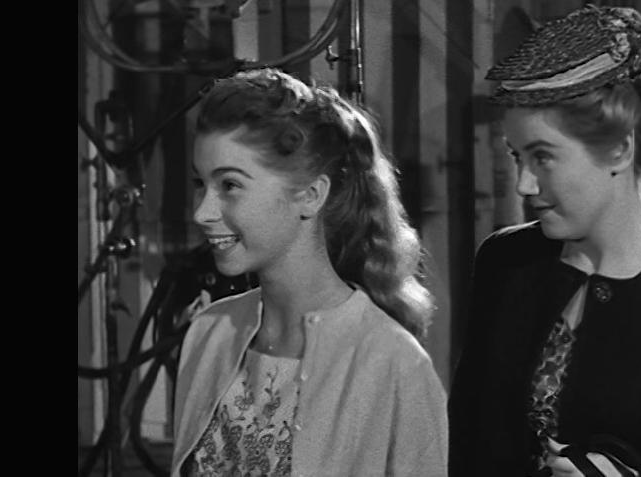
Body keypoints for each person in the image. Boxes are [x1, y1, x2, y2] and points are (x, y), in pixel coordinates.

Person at [448, 5, 641, 477]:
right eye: (517, 157)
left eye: (543, 157)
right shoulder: (506, 261)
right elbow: (467, 440)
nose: (524, 184)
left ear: (620, 149)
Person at [171, 67, 448, 477]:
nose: (202, 212)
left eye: (229, 185)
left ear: (311, 195)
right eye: (200, 183)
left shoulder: (393, 363)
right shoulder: (208, 333)